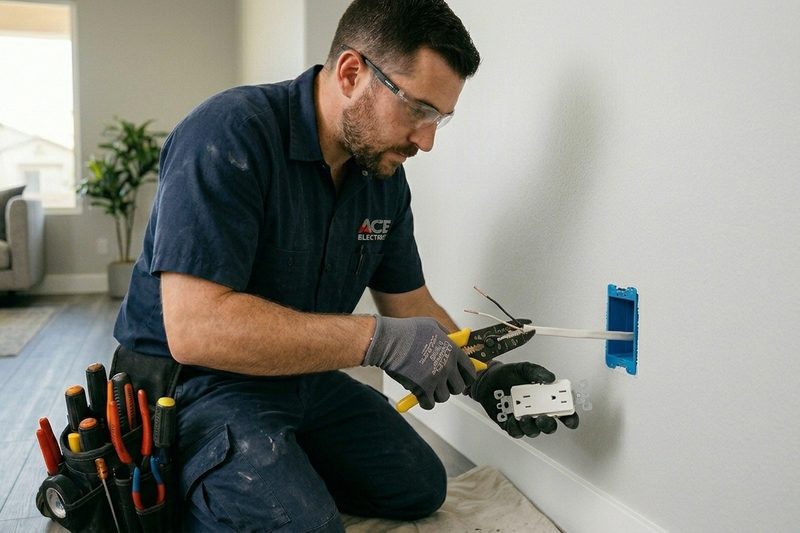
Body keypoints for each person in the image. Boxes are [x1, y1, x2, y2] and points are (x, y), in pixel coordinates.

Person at [113, 0, 577, 531]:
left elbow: (412, 305)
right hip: (192, 386)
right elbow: (196, 330)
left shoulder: (379, 178)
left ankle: (269, 473)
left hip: (298, 379)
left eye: (440, 119)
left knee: (420, 487)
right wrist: (377, 340)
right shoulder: (228, 134)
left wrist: (485, 377)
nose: (426, 140)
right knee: (305, 526)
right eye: (419, 110)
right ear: (353, 73)